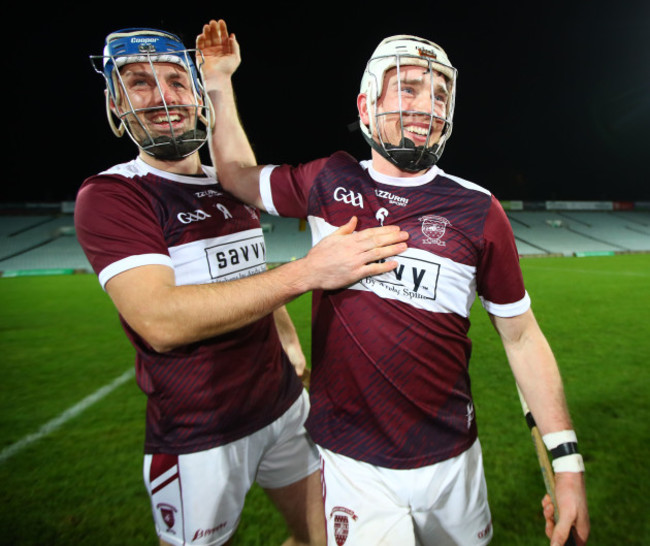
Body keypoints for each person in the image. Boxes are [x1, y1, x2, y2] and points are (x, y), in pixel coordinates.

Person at [197, 19, 590, 546]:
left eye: (439, 92)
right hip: (352, 460)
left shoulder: (478, 210)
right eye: (408, 87)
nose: (428, 104)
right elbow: (236, 175)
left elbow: (521, 337)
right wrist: (219, 83)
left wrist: (568, 468)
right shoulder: (328, 181)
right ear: (366, 106)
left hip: (455, 459)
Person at [74, 27, 409, 546]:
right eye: (140, 83)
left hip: (282, 405)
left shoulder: (224, 185)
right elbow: (160, 321)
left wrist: (287, 338)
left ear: (196, 94)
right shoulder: (113, 194)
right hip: (198, 430)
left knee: (326, 536)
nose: (163, 97)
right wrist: (308, 271)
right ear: (114, 101)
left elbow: (248, 275)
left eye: (175, 81)